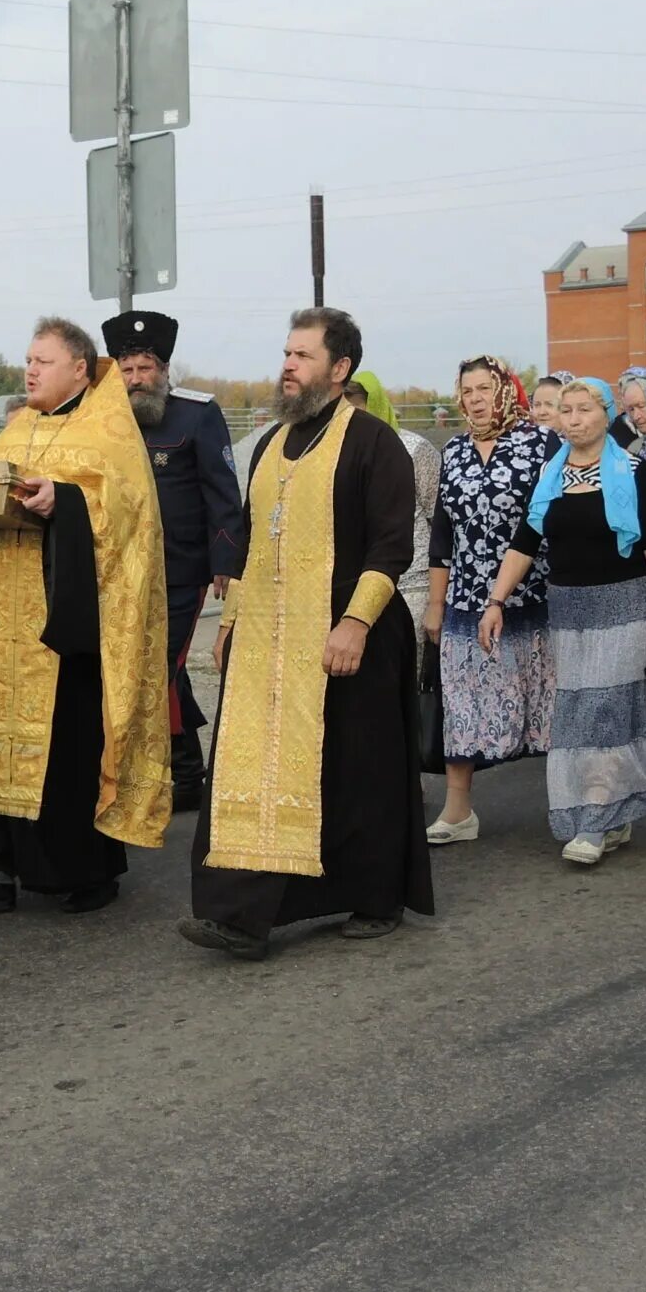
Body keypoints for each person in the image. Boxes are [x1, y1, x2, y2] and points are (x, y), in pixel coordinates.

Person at [181, 310, 431, 960]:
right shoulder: (268, 444)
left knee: (355, 774)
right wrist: (230, 621)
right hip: (269, 641)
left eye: (303, 355)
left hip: (353, 636)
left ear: (339, 369)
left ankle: (374, 897)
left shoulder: (375, 444)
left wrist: (353, 624)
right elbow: (250, 540)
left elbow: (391, 547)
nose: (288, 365)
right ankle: (239, 915)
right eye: (286, 353)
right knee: (259, 775)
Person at [0, 318, 170, 917]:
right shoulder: (16, 429)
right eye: (28, 359)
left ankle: (85, 871)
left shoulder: (109, 430)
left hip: (67, 624)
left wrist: (65, 499)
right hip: (1, 615)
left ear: (80, 369)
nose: (30, 370)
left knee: (67, 745)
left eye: (44, 360)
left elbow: (129, 514)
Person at [478, 377, 646, 865]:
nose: (573, 419)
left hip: (627, 608)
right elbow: (525, 544)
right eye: (565, 410)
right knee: (585, 711)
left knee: (603, 712)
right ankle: (614, 812)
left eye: (583, 409)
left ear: (606, 414)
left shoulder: (633, 471)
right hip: (570, 613)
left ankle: (594, 820)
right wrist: (496, 601)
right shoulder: (550, 476)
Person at [105, 309, 243, 815]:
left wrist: (225, 558)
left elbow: (222, 491)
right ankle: (187, 771)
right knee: (156, 668)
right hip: (121, 570)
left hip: (181, 570)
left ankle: (161, 775)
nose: (137, 379)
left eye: (146, 368)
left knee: (160, 666)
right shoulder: (105, 418)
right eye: (128, 369)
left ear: (164, 369)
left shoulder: (196, 413)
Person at [424, 356, 554, 844]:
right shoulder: (454, 450)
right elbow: (442, 534)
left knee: (548, 704)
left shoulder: (540, 444)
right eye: (468, 390)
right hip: (465, 600)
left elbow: (550, 520)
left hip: (532, 598)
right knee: (461, 705)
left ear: (504, 392)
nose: (476, 398)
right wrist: (436, 605)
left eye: (485, 388)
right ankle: (459, 812)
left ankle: (577, 802)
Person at [344, 371, 441, 639]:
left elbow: (439, 519)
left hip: (410, 586)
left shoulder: (414, 449)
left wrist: (437, 598)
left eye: (358, 408)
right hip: (356, 587)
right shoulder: (336, 455)